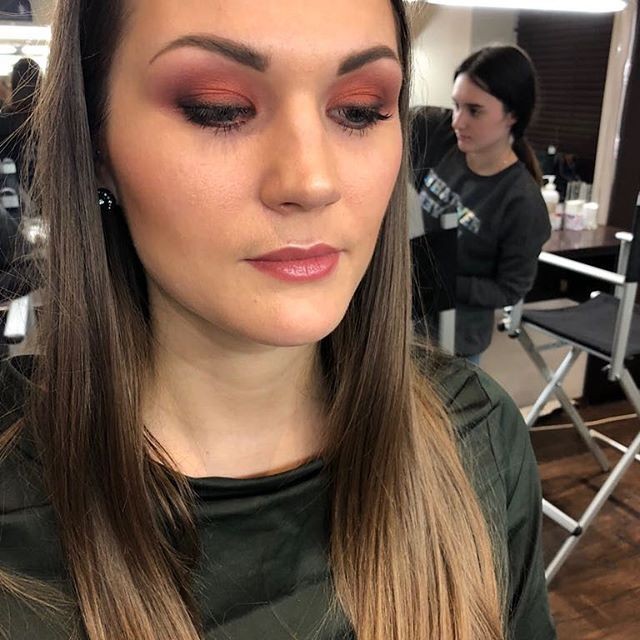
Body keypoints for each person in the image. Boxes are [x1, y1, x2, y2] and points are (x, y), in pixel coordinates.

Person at [0, 2, 555, 639]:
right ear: (98, 144)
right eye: (218, 108)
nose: (312, 182)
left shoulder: (479, 437)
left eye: (359, 111)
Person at [417, 45, 551, 364]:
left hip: (454, 345)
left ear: (512, 116)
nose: (458, 122)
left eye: (474, 111)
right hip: (407, 323)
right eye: (456, 105)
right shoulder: (440, 135)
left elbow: (510, 289)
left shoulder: (521, 202)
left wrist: (443, 282)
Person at [0, 57, 42, 185]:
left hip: (13, 190)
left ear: (14, 85)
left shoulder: (5, 121)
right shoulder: (49, 120)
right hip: (46, 188)